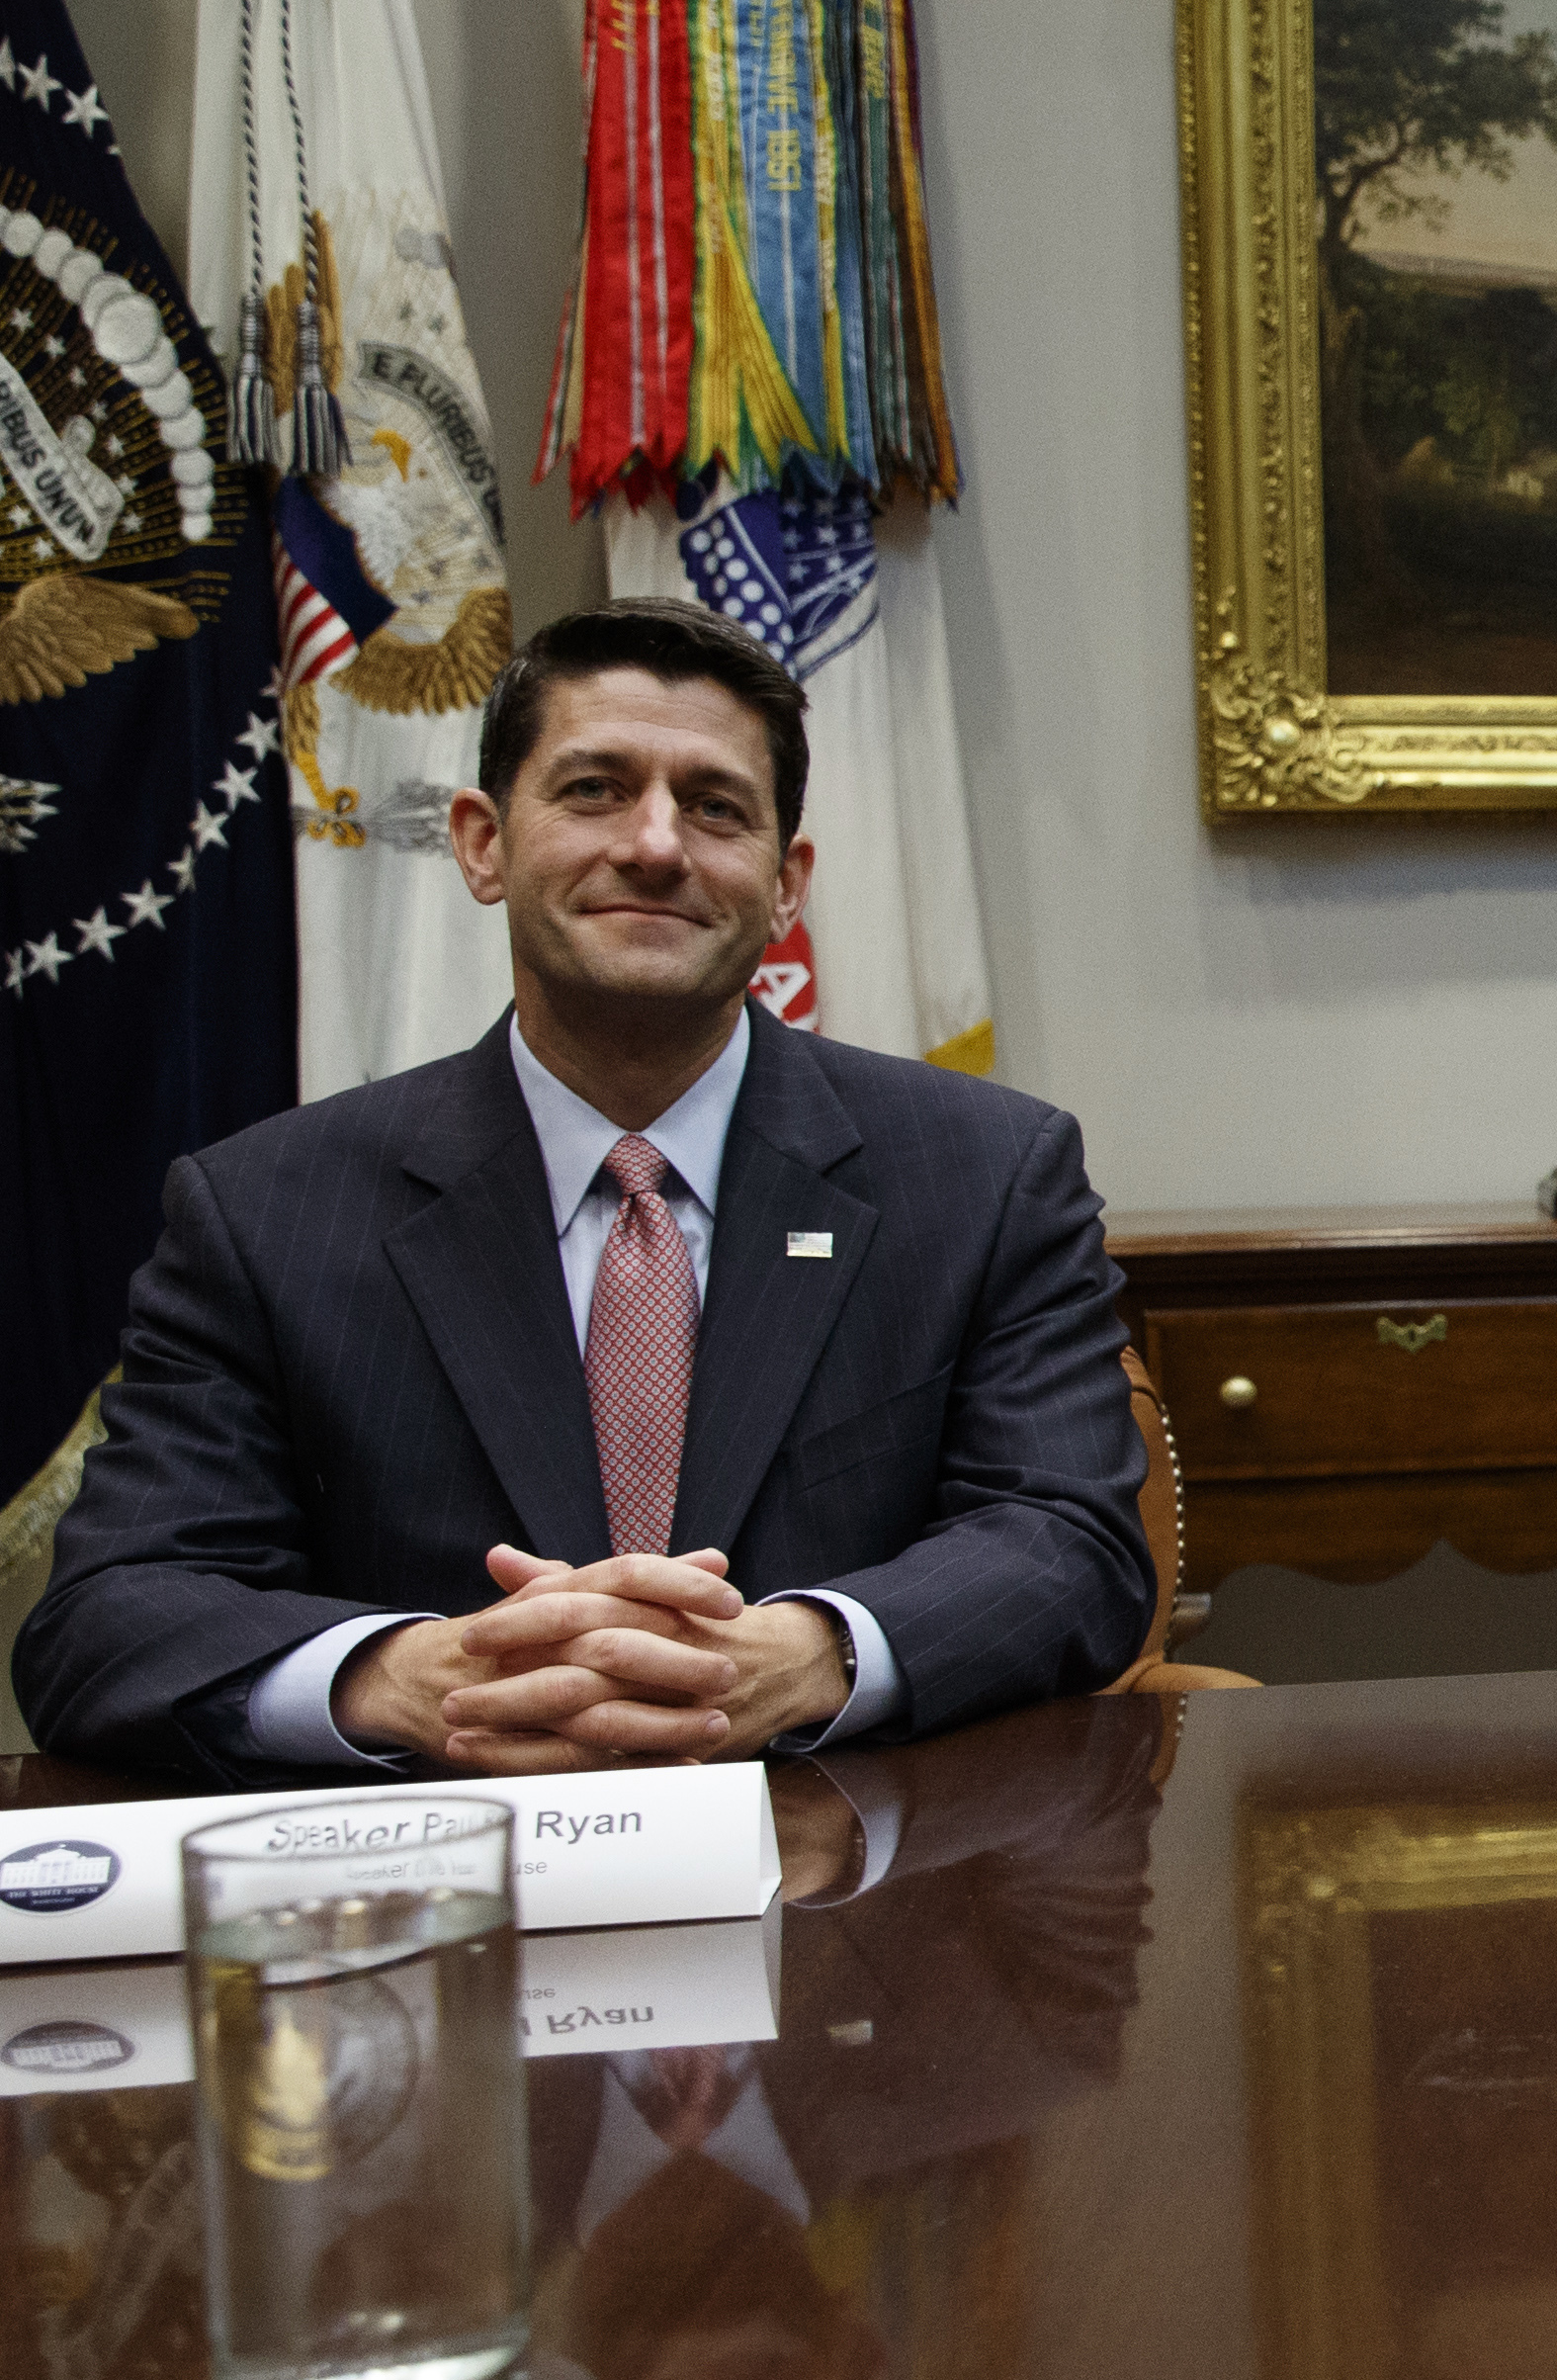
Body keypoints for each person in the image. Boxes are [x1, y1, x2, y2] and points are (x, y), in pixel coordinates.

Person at [13, 597, 1151, 1779]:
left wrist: (804, 1658)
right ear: (481, 842)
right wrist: (409, 1678)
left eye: (715, 807)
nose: (656, 844)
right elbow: (106, 1621)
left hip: (858, 1890)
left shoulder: (985, 1174)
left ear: (784, 885)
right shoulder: (263, 1212)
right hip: (445, 1906)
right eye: (594, 789)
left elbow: (1068, 1542)